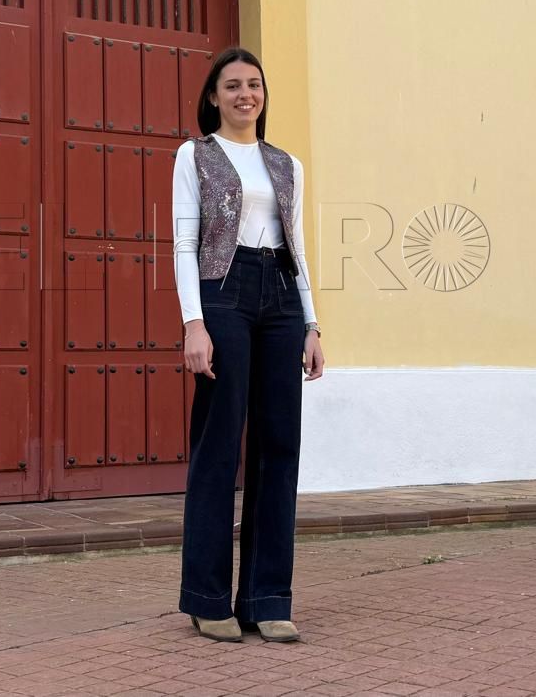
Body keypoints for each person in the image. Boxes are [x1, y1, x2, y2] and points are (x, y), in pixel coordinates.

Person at [171, 46, 325, 643]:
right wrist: (194, 323)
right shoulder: (195, 155)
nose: (245, 94)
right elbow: (185, 243)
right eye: (232, 85)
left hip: (280, 296)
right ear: (214, 96)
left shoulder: (287, 164)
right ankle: (208, 599)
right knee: (218, 444)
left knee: (279, 445)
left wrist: (311, 324)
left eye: (254, 84)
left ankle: (267, 598)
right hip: (223, 293)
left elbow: (298, 245)